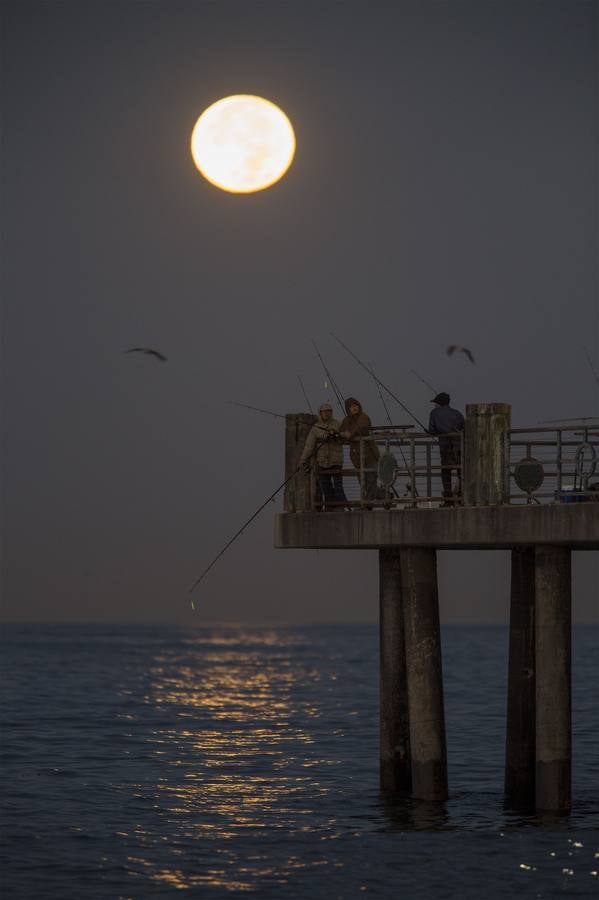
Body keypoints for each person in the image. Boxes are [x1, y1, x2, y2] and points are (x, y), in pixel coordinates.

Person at [299, 402, 346, 510]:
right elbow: (309, 446)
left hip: (336, 461)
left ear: (331, 413)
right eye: (324, 412)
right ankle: (330, 507)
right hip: (322, 462)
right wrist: (302, 459)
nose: (326, 413)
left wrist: (336, 434)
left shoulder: (337, 424)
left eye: (329, 411)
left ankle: (341, 507)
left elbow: (344, 437)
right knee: (325, 487)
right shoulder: (316, 427)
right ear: (320, 413)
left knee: (338, 486)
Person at [339, 397, 379, 505]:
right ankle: (385, 495)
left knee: (371, 480)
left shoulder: (364, 417)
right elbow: (340, 431)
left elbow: (362, 428)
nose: (354, 408)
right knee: (363, 482)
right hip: (357, 457)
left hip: (370, 454)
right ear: (348, 409)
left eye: (355, 406)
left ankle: (367, 504)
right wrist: (342, 434)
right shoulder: (346, 420)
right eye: (351, 407)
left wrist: (350, 434)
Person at [428, 392, 465, 505]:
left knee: (446, 471)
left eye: (435, 403)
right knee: (461, 471)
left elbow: (432, 430)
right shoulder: (457, 413)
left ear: (439, 403)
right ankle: (461, 497)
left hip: (445, 447)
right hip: (459, 447)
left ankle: (448, 499)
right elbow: (464, 428)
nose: (434, 405)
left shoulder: (434, 413)